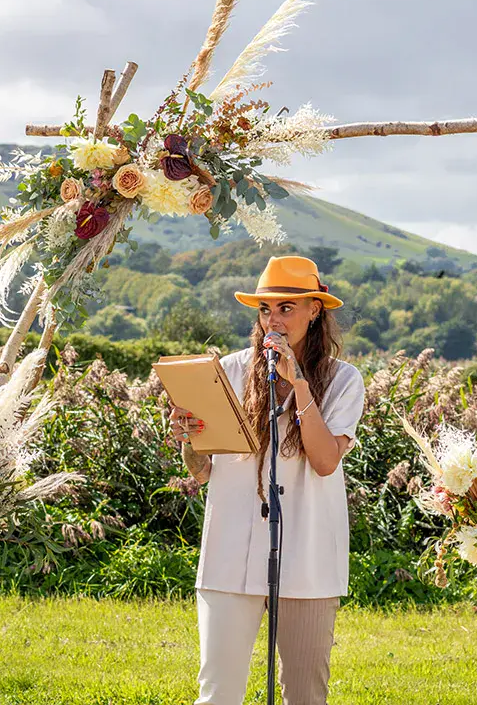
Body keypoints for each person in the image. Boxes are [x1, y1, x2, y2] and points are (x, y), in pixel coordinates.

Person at [169, 256, 365, 705]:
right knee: (217, 693)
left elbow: (324, 461)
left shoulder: (342, 380)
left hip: (308, 556)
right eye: (265, 309)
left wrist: (298, 384)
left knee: (305, 695)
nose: (272, 320)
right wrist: (189, 439)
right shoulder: (230, 371)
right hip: (229, 548)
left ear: (315, 310)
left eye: (286, 308)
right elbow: (201, 472)